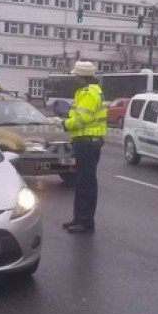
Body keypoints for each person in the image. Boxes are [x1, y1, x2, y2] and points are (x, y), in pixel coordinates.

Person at [61, 61, 107, 234]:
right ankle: (79, 218)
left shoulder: (89, 94)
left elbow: (82, 119)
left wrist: (64, 124)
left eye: (76, 75)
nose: (74, 78)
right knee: (82, 182)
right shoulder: (85, 92)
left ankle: (86, 221)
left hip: (88, 142)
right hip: (85, 141)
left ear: (82, 77)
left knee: (86, 183)